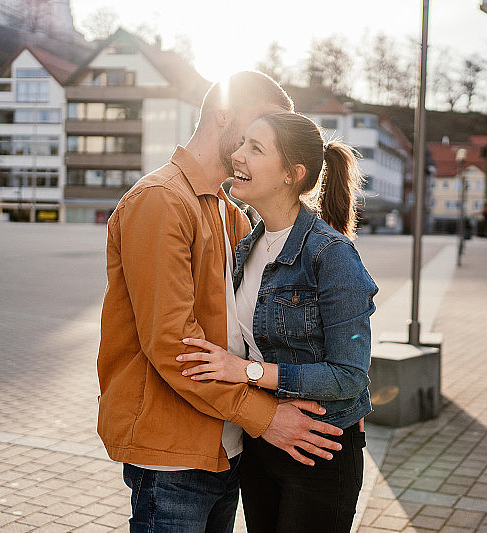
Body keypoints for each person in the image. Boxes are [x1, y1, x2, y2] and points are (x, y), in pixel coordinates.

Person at [96, 73, 344, 533]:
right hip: (172, 459)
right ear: (223, 116)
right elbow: (174, 344)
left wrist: (345, 396)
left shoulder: (230, 212)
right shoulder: (161, 201)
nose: (262, 142)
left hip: (226, 448)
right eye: (257, 126)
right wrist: (266, 418)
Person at [176, 112, 378, 533]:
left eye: (255, 148)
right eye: (241, 143)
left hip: (319, 449)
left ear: (292, 174)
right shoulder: (246, 247)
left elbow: (349, 375)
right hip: (262, 442)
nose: (237, 155)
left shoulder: (331, 254)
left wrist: (246, 372)